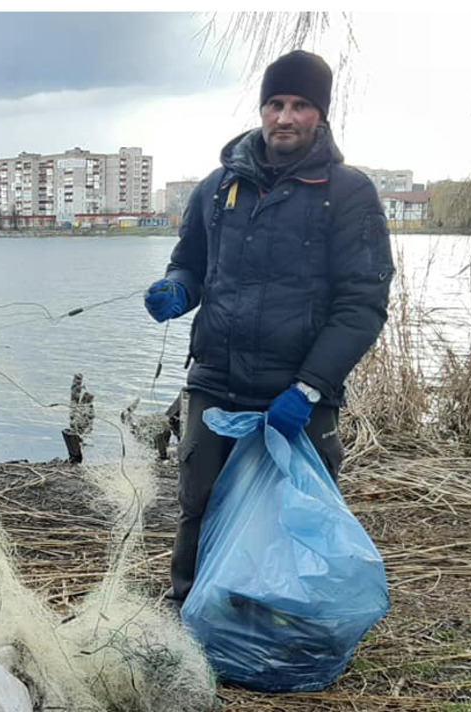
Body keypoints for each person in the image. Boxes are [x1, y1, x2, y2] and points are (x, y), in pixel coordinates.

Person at [144, 50, 393, 603]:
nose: (285, 117)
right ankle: (188, 612)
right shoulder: (216, 187)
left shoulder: (349, 193)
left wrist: (309, 386)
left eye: (300, 105)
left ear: (320, 116)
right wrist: (178, 290)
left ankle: (286, 627)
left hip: (300, 394)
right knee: (199, 507)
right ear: (261, 110)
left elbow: (363, 304)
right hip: (215, 384)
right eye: (275, 103)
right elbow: (190, 262)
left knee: (300, 516)